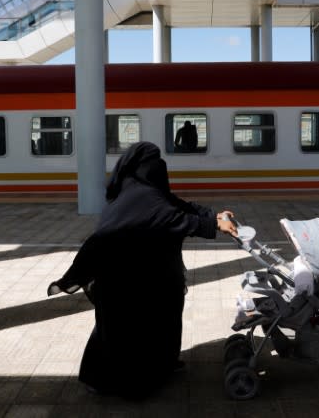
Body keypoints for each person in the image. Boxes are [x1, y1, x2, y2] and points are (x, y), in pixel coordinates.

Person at [47, 142, 237, 399]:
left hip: (140, 274)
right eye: (156, 164)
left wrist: (214, 215)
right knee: (130, 333)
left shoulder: (142, 190)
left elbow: (180, 206)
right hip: (124, 280)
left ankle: (162, 365)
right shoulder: (144, 197)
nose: (161, 168)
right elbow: (174, 218)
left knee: (159, 317)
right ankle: (121, 384)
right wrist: (213, 227)